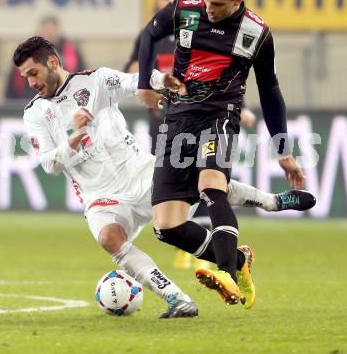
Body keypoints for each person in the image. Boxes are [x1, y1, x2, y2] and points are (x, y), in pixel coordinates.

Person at [16, 37, 314, 317]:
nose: (31, 83)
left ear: (53, 62)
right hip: (99, 196)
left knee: (202, 182)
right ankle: (179, 300)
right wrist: (76, 135)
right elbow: (49, 165)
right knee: (109, 238)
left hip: (140, 172)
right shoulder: (35, 113)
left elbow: (136, 82)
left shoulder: (95, 80)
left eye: (34, 73)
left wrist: (164, 83)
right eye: (26, 77)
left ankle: (272, 201)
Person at [137, 0, 312, 309]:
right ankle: (240, 256)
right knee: (166, 226)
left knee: (211, 188)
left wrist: (283, 150)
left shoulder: (256, 32)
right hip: (177, 121)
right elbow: (148, 35)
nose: (209, 10)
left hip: (221, 117)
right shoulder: (185, 11)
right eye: (206, 1)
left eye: (217, 4)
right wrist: (145, 84)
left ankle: (227, 275)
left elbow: (270, 91)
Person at [125, 0, 257, 270]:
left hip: (202, 117)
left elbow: (222, 78)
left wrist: (241, 109)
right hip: (163, 121)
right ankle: (203, 241)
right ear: (158, 1)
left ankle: (217, 252)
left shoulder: (200, 29)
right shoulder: (152, 36)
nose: (168, 1)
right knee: (173, 196)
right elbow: (133, 69)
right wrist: (153, 80)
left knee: (207, 179)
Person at [6, 16, 86, 99]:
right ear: (39, 32)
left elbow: (81, 77)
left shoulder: (71, 51)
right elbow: (13, 84)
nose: (49, 34)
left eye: (52, 31)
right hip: (30, 100)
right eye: (46, 30)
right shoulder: (25, 53)